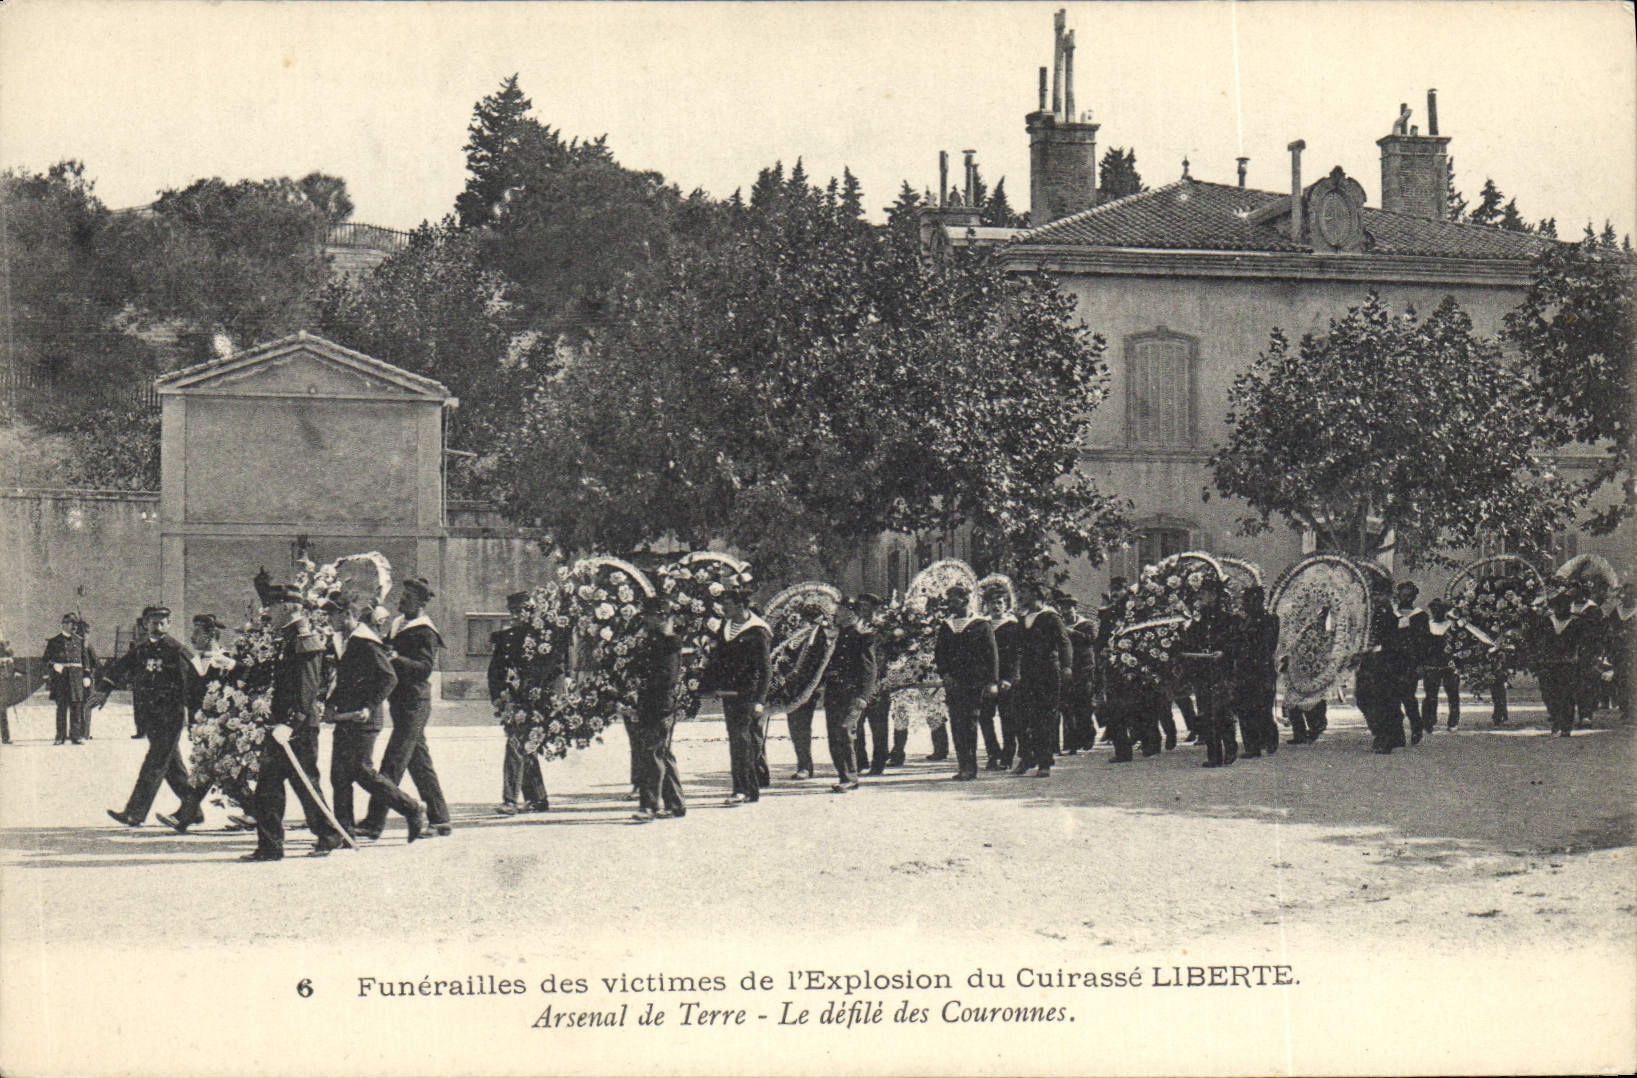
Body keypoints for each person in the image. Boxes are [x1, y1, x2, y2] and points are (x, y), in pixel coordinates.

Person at [236, 586, 347, 860]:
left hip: (296, 728)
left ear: (287, 607)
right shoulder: (287, 637)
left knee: (306, 784)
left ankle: (329, 835)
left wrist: (290, 722)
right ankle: (271, 846)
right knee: (268, 788)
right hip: (282, 728)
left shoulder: (302, 639)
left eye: (272, 607)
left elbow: (307, 689)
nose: (267, 613)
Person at [323, 594, 428, 840]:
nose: (329, 620)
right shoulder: (347, 641)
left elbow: (389, 677)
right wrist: (330, 704)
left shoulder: (365, 643)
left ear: (347, 614)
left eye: (332, 614)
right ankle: (344, 832)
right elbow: (345, 681)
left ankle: (412, 809)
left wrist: (370, 706)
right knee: (339, 776)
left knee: (361, 772)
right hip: (346, 718)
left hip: (363, 721)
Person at [359, 577, 450, 841]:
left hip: (415, 703)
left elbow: (424, 669)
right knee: (419, 763)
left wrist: (397, 658)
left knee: (393, 762)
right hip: (400, 703)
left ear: (421, 602)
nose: (401, 601)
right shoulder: (400, 624)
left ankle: (374, 823)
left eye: (408, 597)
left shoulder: (425, 631)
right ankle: (441, 819)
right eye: (402, 596)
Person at [94, 606, 197, 827]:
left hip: (170, 716)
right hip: (150, 717)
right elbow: (118, 668)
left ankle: (134, 813)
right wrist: (103, 690)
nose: (157, 627)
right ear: (145, 624)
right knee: (171, 766)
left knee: (154, 763)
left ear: (169, 625)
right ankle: (193, 808)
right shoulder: (140, 650)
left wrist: (195, 716)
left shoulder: (177, 651)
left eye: (162, 622)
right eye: (153, 622)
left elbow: (192, 684)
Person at [158, 613, 242, 831]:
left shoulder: (225, 660)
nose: (193, 637)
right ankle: (255, 813)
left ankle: (184, 816)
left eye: (197, 633)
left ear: (210, 635)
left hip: (222, 726)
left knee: (212, 771)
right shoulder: (194, 661)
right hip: (201, 725)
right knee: (220, 773)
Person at [699, 579, 771, 805]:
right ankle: (746, 788)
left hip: (748, 694)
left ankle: (745, 790)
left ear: (741, 606)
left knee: (742, 741)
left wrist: (760, 700)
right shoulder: (726, 628)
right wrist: (709, 687)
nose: (723, 609)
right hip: (730, 694)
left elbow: (765, 670)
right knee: (739, 741)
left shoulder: (758, 631)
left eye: (728, 605)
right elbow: (718, 660)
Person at [492, 591, 550, 815]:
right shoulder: (506, 637)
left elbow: (551, 669)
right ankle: (538, 798)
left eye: (522, 611)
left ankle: (510, 800)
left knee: (516, 745)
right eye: (514, 611)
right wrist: (497, 695)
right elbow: (495, 669)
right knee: (525, 746)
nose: (517, 615)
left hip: (533, 700)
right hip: (512, 700)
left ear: (531, 610)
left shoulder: (541, 636)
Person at [631, 597, 687, 821]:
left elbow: (668, 678)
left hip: (660, 705)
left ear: (662, 617)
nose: (645, 619)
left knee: (652, 755)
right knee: (662, 753)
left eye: (649, 615)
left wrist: (642, 684)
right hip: (652, 703)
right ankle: (676, 804)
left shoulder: (670, 642)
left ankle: (649, 806)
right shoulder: (653, 640)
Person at [934, 584, 998, 781]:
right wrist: (945, 674)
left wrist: (991, 681)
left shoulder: (982, 625)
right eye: (950, 600)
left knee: (970, 722)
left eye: (954, 600)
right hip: (954, 683)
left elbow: (991, 654)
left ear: (965, 600)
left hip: (974, 683)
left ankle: (971, 767)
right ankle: (963, 765)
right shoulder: (947, 626)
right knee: (956, 723)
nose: (951, 604)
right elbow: (940, 654)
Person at [1012, 579, 1070, 778]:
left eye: (1025, 592)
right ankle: (1027, 756)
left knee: (1044, 717)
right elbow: (1017, 647)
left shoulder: (1051, 617)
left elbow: (1064, 643)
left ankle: (1044, 761)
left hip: (1047, 673)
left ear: (1036, 594)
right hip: (1026, 674)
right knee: (1022, 717)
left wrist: (1067, 666)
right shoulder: (1023, 618)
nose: (1021, 596)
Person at [824, 595, 881, 792]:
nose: (835, 614)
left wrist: (863, 696)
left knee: (844, 731)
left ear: (849, 613)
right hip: (833, 692)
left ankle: (850, 777)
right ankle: (844, 775)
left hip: (850, 693)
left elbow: (869, 668)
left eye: (839, 610)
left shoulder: (862, 636)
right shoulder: (834, 635)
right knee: (834, 735)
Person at [1179, 578, 1237, 768]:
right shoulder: (1198, 620)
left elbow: (1235, 642)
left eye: (1204, 593)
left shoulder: (1227, 618)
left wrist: (1224, 652)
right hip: (1203, 671)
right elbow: (1190, 641)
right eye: (1201, 594)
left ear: (1214, 595)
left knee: (1221, 712)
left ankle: (1230, 748)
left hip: (1221, 671)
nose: (1201, 597)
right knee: (1205, 713)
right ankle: (1214, 755)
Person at [784, 602, 830, 780]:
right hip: (793, 686)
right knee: (796, 725)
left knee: (802, 725)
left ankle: (805, 765)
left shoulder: (820, 635)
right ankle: (803, 764)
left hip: (810, 686)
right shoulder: (794, 635)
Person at [978, 583, 1021, 770]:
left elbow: (1017, 654)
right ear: (985, 605)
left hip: (1006, 680)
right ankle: (993, 753)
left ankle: (1008, 755)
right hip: (986, 680)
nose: (996, 607)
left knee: (1008, 717)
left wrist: (1010, 678)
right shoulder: (981, 625)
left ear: (1006, 605)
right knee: (984, 717)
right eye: (992, 603)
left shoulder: (1013, 626)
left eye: (1000, 602)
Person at [1235, 585, 1280, 758]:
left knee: (1262, 707)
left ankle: (1269, 739)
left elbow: (1267, 645)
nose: (1245, 605)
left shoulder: (1269, 620)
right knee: (1245, 708)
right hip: (1244, 669)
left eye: (1249, 601)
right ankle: (1252, 746)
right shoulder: (1242, 621)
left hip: (1261, 668)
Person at [1384, 582, 1431, 743]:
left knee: (1408, 697)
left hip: (1411, 662)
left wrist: (1421, 664)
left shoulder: (1420, 616)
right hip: (1392, 662)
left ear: (1414, 597)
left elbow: (1425, 642)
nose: (1406, 598)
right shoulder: (1390, 615)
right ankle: (1398, 735)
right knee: (1392, 698)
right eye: (1403, 595)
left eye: (1409, 595)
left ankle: (1416, 726)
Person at [45, 613, 95, 746]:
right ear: (64, 624)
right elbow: (46, 659)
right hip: (61, 679)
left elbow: (86, 660)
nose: (73, 627)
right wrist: (53, 665)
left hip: (76, 679)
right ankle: (60, 736)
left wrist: (86, 675)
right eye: (71, 624)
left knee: (76, 707)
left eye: (75, 624)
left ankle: (76, 736)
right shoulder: (54, 641)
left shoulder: (80, 641)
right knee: (61, 708)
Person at [1061, 595, 1098, 755]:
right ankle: (1072, 742)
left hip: (1084, 668)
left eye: (1068, 608)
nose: (1065, 612)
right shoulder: (1060, 625)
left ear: (1074, 609)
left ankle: (1088, 735)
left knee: (1083, 704)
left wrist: (1073, 633)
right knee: (1068, 706)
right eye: (1063, 609)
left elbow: (1091, 640)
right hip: (1068, 669)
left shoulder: (1086, 624)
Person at [1421, 598, 1461, 731]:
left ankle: (1453, 721)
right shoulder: (1427, 625)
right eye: (1434, 609)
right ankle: (1429, 721)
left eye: (1439, 609)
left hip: (1449, 664)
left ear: (1445, 611)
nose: (1436, 612)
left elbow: (1458, 645)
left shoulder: (1452, 625)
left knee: (1452, 693)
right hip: (1431, 664)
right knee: (1430, 694)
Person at [1354, 646, 1398, 754]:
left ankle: (1384, 738)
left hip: (1383, 658)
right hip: (1366, 658)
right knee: (1362, 699)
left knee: (1380, 700)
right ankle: (1380, 735)